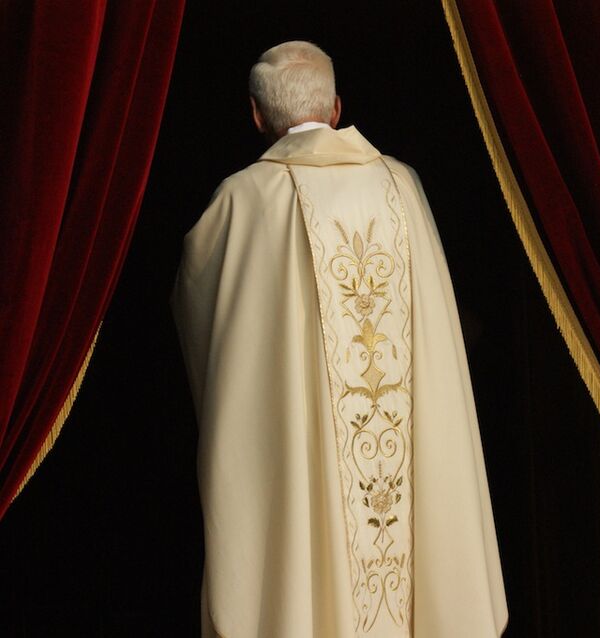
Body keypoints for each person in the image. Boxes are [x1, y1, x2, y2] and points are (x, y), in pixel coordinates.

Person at [171, 41, 507, 638]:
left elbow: (210, 332)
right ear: (335, 108)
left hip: (298, 459)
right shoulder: (402, 187)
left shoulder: (242, 202)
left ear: (256, 114)